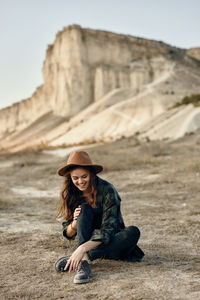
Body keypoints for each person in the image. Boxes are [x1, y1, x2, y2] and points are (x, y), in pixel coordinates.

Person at [55, 151, 144, 284]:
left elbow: (109, 230)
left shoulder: (108, 190)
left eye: (84, 176)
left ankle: (82, 258)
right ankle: (84, 264)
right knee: (84, 209)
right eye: (75, 178)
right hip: (89, 241)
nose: (80, 181)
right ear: (70, 178)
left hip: (113, 242)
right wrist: (74, 223)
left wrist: (82, 249)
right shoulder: (73, 193)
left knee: (133, 232)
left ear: (91, 174)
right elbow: (68, 233)